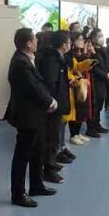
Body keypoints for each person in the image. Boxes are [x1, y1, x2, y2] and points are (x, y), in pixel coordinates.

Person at [5, 28, 58, 208]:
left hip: (36, 114)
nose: (37, 41)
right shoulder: (21, 62)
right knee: (23, 155)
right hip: (27, 115)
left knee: (37, 151)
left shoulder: (28, 59)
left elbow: (38, 85)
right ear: (28, 43)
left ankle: (36, 184)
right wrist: (49, 101)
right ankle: (18, 193)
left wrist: (47, 100)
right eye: (34, 39)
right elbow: (32, 87)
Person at [36, 30, 71, 184]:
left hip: (58, 102)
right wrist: (51, 102)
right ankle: (48, 170)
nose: (70, 44)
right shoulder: (51, 59)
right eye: (68, 42)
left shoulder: (59, 57)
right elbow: (51, 82)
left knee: (54, 136)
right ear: (63, 44)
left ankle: (51, 162)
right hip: (52, 105)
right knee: (51, 137)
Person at [65, 33, 94, 146]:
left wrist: (89, 62)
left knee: (82, 109)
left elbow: (78, 66)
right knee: (75, 110)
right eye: (79, 39)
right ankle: (73, 135)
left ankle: (77, 133)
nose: (82, 42)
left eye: (82, 39)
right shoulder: (69, 55)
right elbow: (71, 70)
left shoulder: (80, 52)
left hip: (82, 83)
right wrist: (77, 79)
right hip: (74, 85)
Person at [86, 29, 109, 136]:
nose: (102, 38)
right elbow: (94, 67)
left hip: (103, 80)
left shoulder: (102, 49)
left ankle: (97, 124)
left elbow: (107, 62)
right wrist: (105, 75)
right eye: (99, 36)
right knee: (94, 105)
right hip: (95, 80)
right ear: (93, 38)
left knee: (100, 103)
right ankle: (91, 127)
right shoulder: (90, 50)